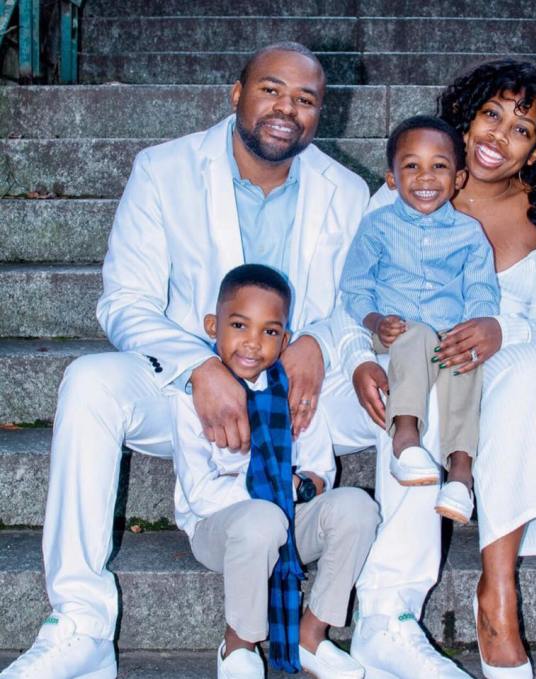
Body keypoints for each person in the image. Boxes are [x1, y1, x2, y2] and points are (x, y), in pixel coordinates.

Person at [1, 41, 469, 679]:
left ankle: (388, 618)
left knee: (414, 392)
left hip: (301, 398)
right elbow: (124, 301)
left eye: (305, 99)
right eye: (271, 90)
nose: (286, 109)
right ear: (237, 93)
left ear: (322, 112)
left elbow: (355, 299)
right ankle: (80, 622)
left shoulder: (345, 189)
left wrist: (317, 343)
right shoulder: (163, 169)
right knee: (89, 382)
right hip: (187, 395)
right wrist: (202, 368)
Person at [366, 58, 536, 678]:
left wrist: (497, 330)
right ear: (464, 119)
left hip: (514, 359)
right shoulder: (415, 183)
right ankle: (501, 596)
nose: (498, 136)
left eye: (521, 128)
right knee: (515, 381)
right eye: (491, 114)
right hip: (430, 365)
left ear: (535, 150)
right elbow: (360, 288)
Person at [172, 264, 377, 679]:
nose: (253, 342)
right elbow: (202, 495)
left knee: (358, 507)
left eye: (269, 331)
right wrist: (276, 487)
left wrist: (303, 487)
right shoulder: (192, 397)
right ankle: (238, 645)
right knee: (262, 518)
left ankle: (311, 635)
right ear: (213, 326)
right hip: (220, 530)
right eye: (239, 325)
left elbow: (320, 471)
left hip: (289, 518)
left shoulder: (293, 392)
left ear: (285, 340)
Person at [339, 115, 499, 524]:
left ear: (459, 178)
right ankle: (405, 439)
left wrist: (472, 329)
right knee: (417, 335)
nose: (425, 176)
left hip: (445, 332)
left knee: (463, 360)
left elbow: (481, 290)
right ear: (391, 179)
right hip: (394, 332)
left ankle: (460, 473)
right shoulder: (377, 227)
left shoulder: (469, 233)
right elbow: (355, 285)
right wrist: (375, 321)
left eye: (439, 166)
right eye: (411, 165)